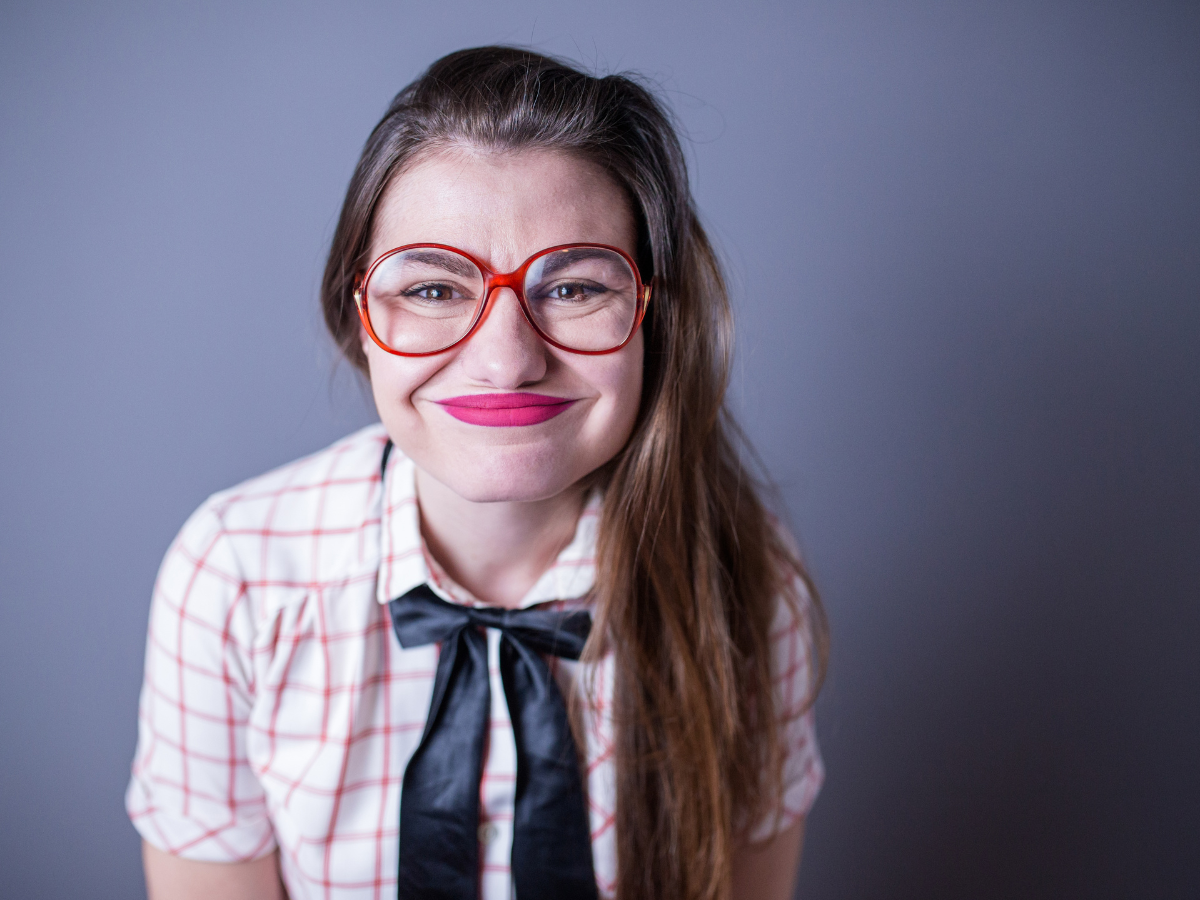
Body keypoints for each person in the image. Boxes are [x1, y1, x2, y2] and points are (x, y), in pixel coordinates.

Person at [127, 46, 828, 900]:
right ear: (361, 314)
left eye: (572, 289)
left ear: (655, 320)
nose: (506, 360)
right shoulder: (234, 574)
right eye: (432, 289)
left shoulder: (748, 584)